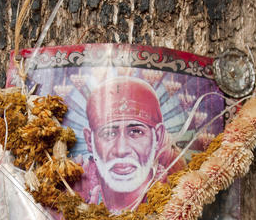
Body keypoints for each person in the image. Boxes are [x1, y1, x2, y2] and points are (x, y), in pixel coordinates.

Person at [78, 77, 182, 212]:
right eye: (109, 133)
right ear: (89, 140)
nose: (121, 150)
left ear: (158, 136)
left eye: (136, 132)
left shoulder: (179, 195)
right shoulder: (74, 192)